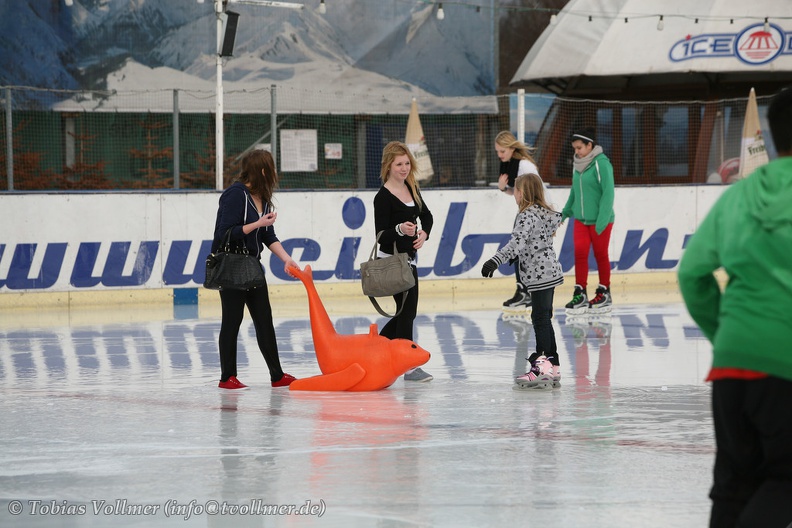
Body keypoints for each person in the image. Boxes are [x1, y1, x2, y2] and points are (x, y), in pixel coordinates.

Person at [677, 86, 792, 528]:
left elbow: (692, 275)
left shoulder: (739, 196)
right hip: (785, 364)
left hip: (732, 363)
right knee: (787, 477)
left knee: (733, 485)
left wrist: (725, 333)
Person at [211, 149, 298, 390]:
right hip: (231, 267)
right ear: (262, 170)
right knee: (232, 320)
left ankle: (277, 375)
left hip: (252, 267)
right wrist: (257, 223)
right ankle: (227, 377)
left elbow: (268, 235)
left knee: (264, 320)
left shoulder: (264, 196)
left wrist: (286, 259)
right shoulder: (235, 195)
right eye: (271, 167)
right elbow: (224, 233)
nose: (275, 173)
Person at [481, 173, 564, 390]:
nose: (514, 195)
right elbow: (533, 242)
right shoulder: (542, 212)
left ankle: (541, 369)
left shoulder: (526, 215)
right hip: (549, 271)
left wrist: (494, 260)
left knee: (540, 319)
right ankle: (553, 367)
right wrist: (522, 256)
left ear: (521, 192)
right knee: (545, 317)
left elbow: (516, 244)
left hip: (539, 274)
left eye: (515, 191)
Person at [374, 141, 434, 382]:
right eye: (399, 164)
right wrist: (399, 229)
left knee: (405, 313)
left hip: (410, 261)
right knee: (406, 313)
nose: (404, 168)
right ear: (388, 165)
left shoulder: (412, 188)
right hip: (392, 262)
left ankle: (377, 346)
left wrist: (424, 234)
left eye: (407, 163)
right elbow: (381, 236)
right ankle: (408, 367)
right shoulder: (382, 197)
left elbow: (427, 216)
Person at [561, 127, 615, 315]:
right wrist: (566, 212)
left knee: (601, 255)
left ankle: (604, 292)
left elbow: (608, 192)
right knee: (580, 254)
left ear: (589, 145)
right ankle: (580, 293)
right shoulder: (578, 165)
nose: (576, 151)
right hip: (581, 220)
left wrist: (602, 220)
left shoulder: (602, 163)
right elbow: (575, 191)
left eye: (579, 148)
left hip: (601, 220)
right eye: (575, 148)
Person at [495, 131, 542, 312]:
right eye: (498, 152)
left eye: (502, 151)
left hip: (534, 212)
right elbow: (516, 192)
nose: (500, 155)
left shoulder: (524, 166)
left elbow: (538, 191)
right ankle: (524, 290)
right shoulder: (511, 165)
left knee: (523, 251)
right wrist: (503, 189)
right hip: (526, 211)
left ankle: (527, 291)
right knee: (520, 251)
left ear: (512, 148)